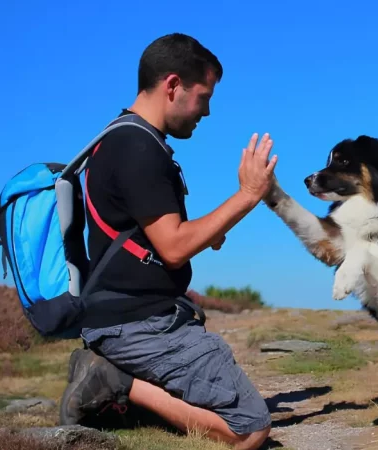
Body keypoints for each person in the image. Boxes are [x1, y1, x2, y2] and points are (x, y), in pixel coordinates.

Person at [58, 33, 277, 450]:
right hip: (137, 323)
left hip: (129, 314)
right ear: (173, 85)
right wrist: (248, 194)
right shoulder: (138, 148)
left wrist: (209, 233)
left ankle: (119, 387)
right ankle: (115, 380)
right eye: (204, 97)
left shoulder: (122, 138)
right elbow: (173, 248)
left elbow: (154, 235)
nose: (207, 111)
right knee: (250, 429)